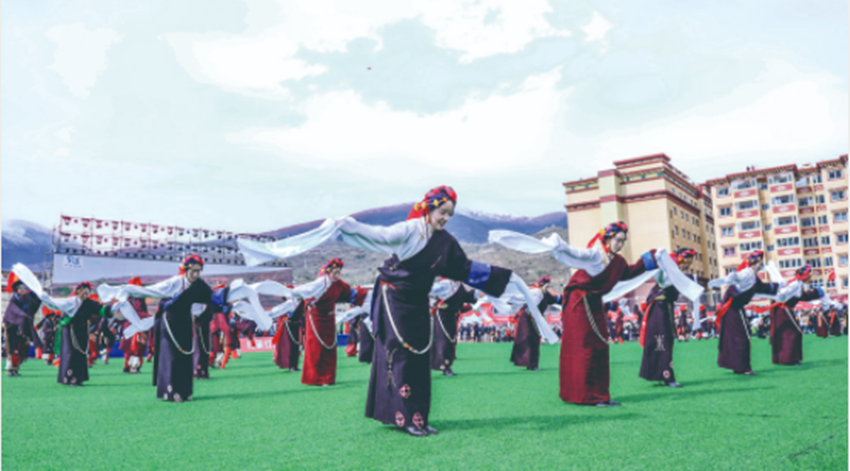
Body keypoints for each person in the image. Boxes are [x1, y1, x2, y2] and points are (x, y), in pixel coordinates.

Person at [237, 186, 553, 436]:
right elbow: (378, 237)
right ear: (429, 208)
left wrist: (504, 277)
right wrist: (348, 226)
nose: (445, 218)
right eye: (442, 212)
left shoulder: (445, 243)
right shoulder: (409, 231)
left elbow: (465, 268)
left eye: (450, 214)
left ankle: (418, 416)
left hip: (418, 302)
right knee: (401, 355)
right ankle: (404, 417)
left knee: (419, 358)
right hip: (395, 300)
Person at [490, 222, 669, 406]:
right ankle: (585, 395)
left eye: (623, 241)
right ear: (607, 239)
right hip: (579, 303)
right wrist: (558, 244)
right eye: (617, 240)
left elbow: (629, 273)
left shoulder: (618, 262)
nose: (620, 244)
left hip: (594, 302)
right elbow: (574, 253)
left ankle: (599, 393)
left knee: (601, 345)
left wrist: (652, 257)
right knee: (585, 347)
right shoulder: (594, 255)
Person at [708, 251, 779, 375]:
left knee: (740, 336)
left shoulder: (754, 277)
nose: (761, 265)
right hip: (731, 307)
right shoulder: (746, 273)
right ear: (754, 263)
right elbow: (736, 276)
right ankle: (743, 367)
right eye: (760, 262)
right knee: (742, 337)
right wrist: (728, 279)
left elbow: (763, 287)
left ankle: (739, 366)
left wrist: (778, 286)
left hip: (737, 308)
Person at [637, 248, 700, 387]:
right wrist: (653, 255)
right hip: (658, 309)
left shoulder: (676, 272)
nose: (689, 264)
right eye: (688, 261)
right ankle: (666, 376)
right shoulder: (667, 270)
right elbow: (651, 267)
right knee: (661, 341)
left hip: (665, 308)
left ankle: (659, 374)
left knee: (663, 341)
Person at [769, 265, 836, 366]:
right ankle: (790, 360)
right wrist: (816, 293)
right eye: (809, 275)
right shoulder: (795, 284)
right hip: (783, 309)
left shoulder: (797, 283)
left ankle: (786, 359)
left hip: (785, 310)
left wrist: (815, 293)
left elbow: (801, 296)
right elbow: (783, 294)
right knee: (793, 333)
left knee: (789, 333)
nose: (810, 278)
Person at [510, 276, 561, 371]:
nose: (548, 287)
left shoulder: (545, 294)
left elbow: (556, 299)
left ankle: (533, 364)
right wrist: (510, 299)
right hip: (527, 317)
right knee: (528, 338)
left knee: (535, 340)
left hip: (535, 317)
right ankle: (528, 363)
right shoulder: (535, 292)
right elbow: (521, 298)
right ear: (542, 285)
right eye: (547, 285)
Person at [429, 279, 477, 376]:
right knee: (443, 342)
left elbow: (467, 297)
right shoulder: (445, 284)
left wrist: (479, 292)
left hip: (451, 316)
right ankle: (444, 367)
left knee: (450, 342)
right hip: (442, 316)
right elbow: (428, 289)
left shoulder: (459, 285)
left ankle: (447, 366)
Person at [3, 274, 41, 376]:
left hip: (23, 326)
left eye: (25, 288)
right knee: (12, 348)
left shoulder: (27, 299)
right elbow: (13, 311)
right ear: (17, 290)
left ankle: (15, 369)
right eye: (21, 288)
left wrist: (39, 294)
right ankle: (9, 369)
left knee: (21, 348)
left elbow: (34, 306)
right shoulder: (14, 299)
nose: (24, 289)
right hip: (11, 326)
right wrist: (24, 315)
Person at [272, 298, 304, 371]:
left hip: (296, 325)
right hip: (288, 326)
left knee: (296, 346)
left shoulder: (300, 303)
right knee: (289, 347)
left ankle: (295, 365)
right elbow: (279, 311)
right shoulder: (289, 303)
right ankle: (290, 366)